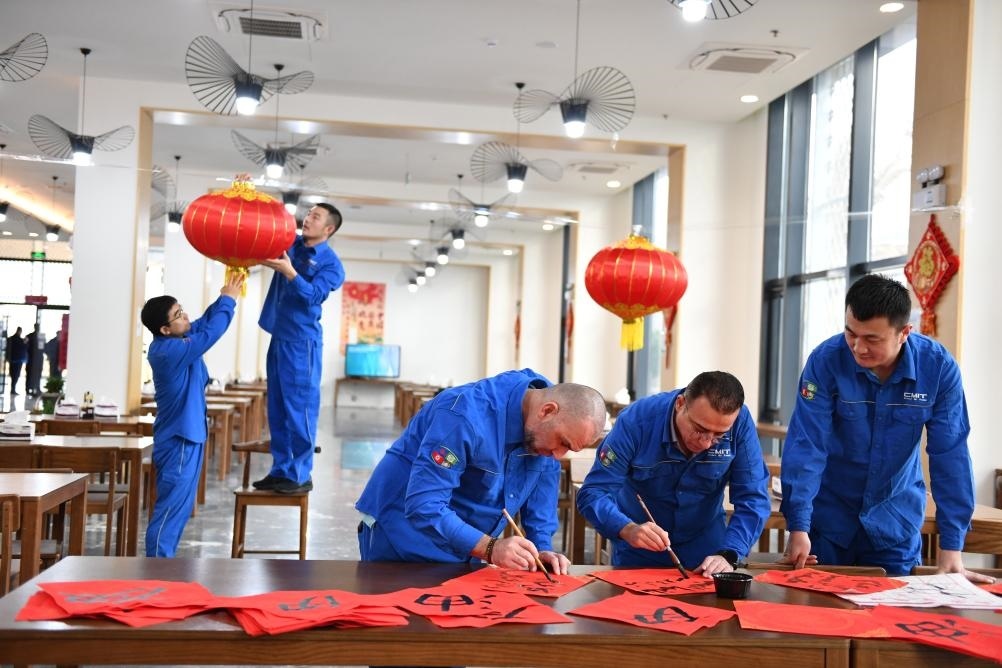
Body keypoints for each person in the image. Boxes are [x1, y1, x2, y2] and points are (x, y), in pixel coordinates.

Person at [780, 274, 992, 583]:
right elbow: (807, 444)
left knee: (891, 610)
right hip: (827, 521)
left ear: (904, 332)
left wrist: (952, 547)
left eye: (872, 339)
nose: (858, 347)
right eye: (851, 333)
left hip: (894, 521)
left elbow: (951, 454)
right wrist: (798, 525)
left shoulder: (937, 368)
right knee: (814, 609)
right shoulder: (826, 361)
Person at [356, 369, 606, 573]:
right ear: (547, 411)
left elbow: (541, 497)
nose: (558, 455)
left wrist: (541, 549)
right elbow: (424, 504)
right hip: (401, 536)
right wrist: (490, 548)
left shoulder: (551, 426)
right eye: (562, 442)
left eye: (569, 449)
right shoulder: (465, 416)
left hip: (467, 546)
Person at [577, 371, 772, 575]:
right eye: (699, 429)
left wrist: (730, 553)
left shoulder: (739, 423)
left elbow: (753, 498)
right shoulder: (636, 423)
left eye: (719, 435)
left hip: (708, 552)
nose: (706, 443)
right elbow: (594, 493)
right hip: (640, 548)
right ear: (680, 403)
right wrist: (626, 529)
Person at [141, 272, 244, 557]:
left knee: (180, 509)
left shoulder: (180, 338)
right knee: (169, 511)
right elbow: (211, 333)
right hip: (179, 441)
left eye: (182, 309)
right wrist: (229, 301)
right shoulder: (169, 351)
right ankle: (155, 567)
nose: (185, 316)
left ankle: (162, 566)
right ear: (165, 329)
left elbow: (204, 323)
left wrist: (223, 297)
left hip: (190, 437)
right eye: (178, 315)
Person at [253, 203, 345, 495]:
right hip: (279, 335)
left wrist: (291, 273)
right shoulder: (290, 243)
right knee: (277, 408)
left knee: (300, 408)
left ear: (328, 229)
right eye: (308, 214)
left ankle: (301, 474)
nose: (307, 219)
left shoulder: (331, 264)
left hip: (302, 343)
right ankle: (281, 470)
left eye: (315, 217)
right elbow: (263, 234)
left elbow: (315, 295)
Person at [5, 327, 26, 395]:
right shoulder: (20, 340)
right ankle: (13, 389)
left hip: (12, 360)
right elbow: (24, 348)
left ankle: (13, 389)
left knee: (13, 375)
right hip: (18, 361)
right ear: (19, 331)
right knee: (16, 375)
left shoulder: (10, 339)